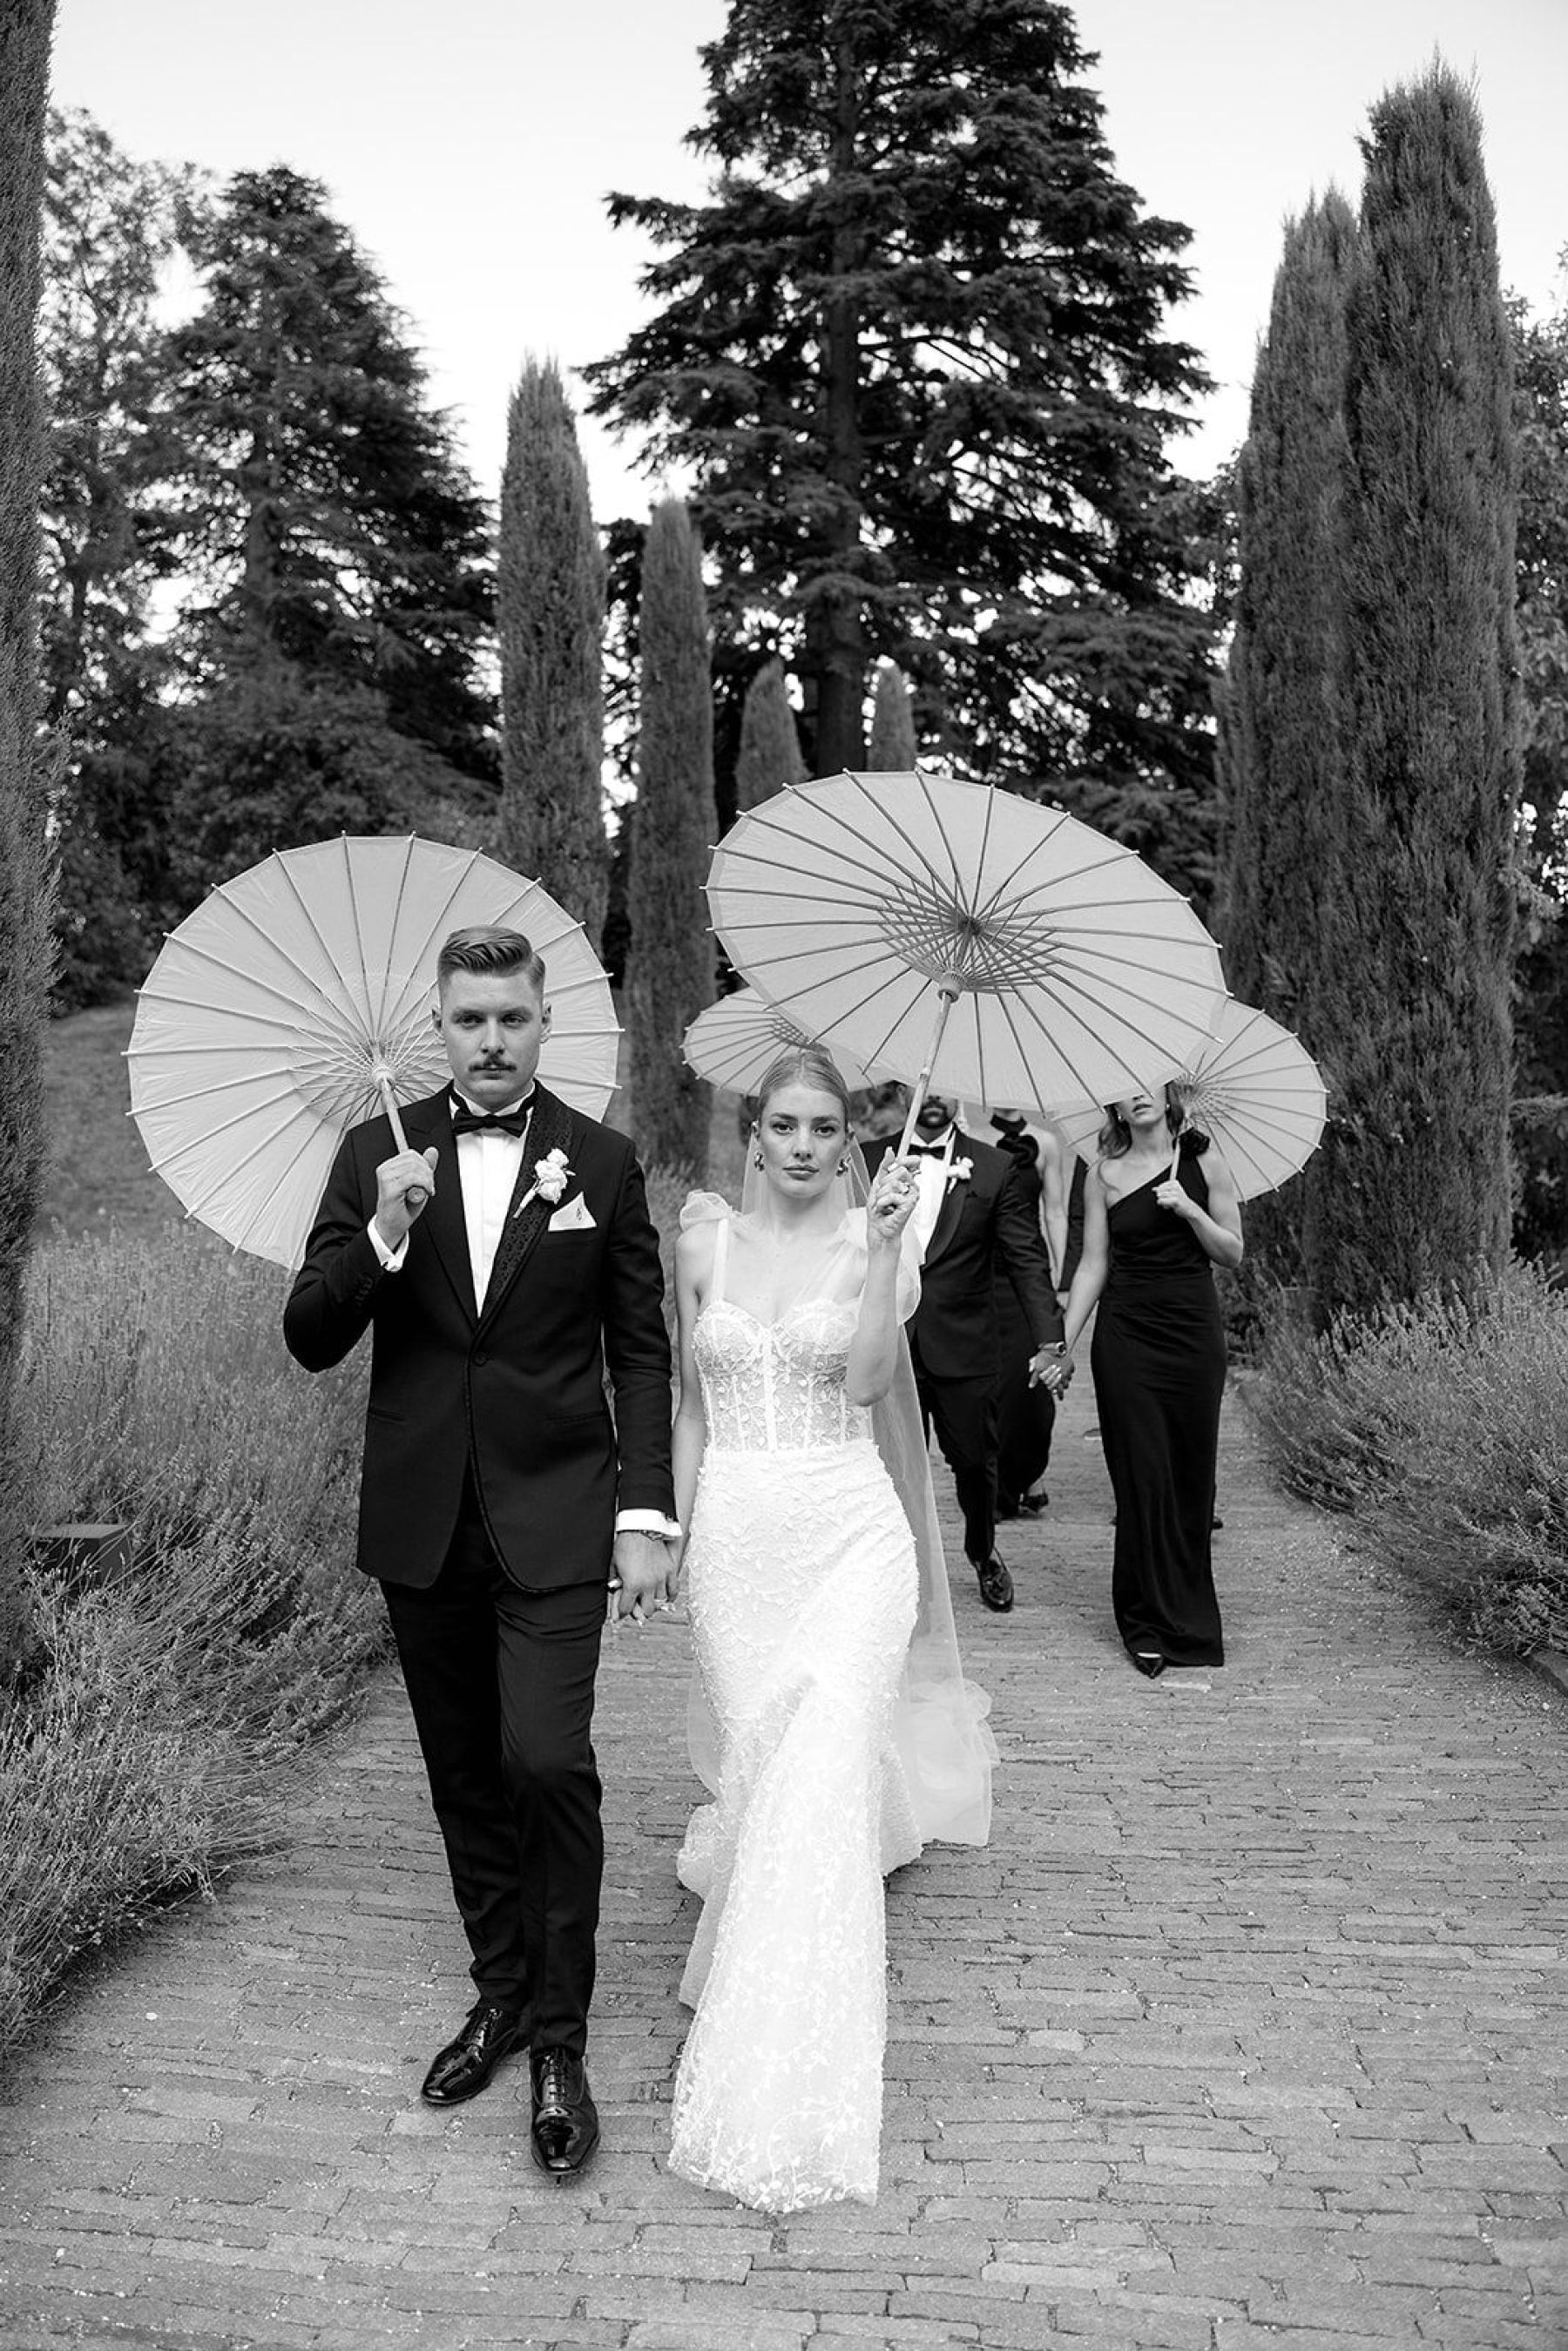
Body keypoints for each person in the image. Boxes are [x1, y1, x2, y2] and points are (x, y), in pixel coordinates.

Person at [283, 926, 678, 2177]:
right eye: (470, 1020)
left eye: (512, 1017)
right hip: (422, 1517)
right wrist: (384, 1234)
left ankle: (561, 2038)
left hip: (561, 1509)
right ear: (437, 1025)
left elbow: (641, 1351)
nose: (492, 1041)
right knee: (463, 1773)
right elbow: (307, 1333)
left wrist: (646, 1514)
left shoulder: (603, 1162)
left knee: (547, 1758)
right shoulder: (373, 1155)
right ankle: (501, 1992)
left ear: (543, 1019)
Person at [666, 1045, 994, 2213]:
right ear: (752, 1134)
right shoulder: (699, 1238)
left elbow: (864, 1385)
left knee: (819, 1757)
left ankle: (782, 2032)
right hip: (738, 1540)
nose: (805, 1146)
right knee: (769, 1758)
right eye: (785, 1126)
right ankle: (783, 1907)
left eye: (824, 1129)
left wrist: (892, 1247)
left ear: (847, 1141)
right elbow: (690, 1400)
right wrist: (664, 1524)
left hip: (853, 1536)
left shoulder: (875, 1240)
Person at [1045, 1084, 1242, 1676]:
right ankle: (1145, 1619)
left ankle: (1190, 1618)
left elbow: (1232, 1250)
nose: (1137, 1096)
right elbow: (1093, 1264)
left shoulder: (1205, 1158)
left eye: (1146, 1085)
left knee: (1189, 1479)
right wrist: (1064, 1340)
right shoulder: (1102, 1173)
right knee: (1141, 1477)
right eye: (1123, 1092)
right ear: (1114, 1108)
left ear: (1167, 1092)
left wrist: (1190, 1209)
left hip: (1192, 1334)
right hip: (1128, 1337)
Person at [864, 1091, 1064, 1613]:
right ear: (910, 1087)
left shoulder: (995, 1167)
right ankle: (892, 1569)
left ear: (956, 1095)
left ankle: (982, 1548)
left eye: (942, 1091)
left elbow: (1025, 1257)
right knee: (889, 1465)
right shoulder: (867, 1162)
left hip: (967, 1345)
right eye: (923, 1089)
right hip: (889, 1345)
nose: (932, 1098)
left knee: (976, 1462)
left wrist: (1049, 1338)